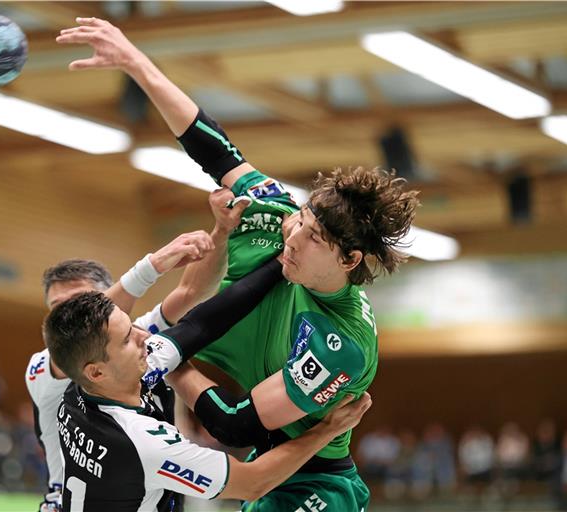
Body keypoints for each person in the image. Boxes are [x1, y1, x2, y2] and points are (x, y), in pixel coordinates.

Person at [56, 17, 419, 511]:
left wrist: (163, 360)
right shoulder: (276, 222)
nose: (292, 234)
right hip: (260, 465)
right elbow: (211, 144)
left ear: (350, 259)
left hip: (312, 480)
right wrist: (136, 63)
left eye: (312, 237)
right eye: (300, 219)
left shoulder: (342, 344)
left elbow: (234, 423)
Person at [43, 287, 372, 511]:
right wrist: (327, 430)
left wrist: (277, 264)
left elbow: (200, 324)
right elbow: (252, 482)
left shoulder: (77, 393)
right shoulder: (142, 444)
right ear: (96, 371)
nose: (145, 338)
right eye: (129, 339)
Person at [27, 212, 244, 511]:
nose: (71, 315)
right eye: (58, 308)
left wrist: (220, 232)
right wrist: (151, 266)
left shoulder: (134, 340)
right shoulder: (44, 367)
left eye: (81, 300)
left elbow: (191, 292)